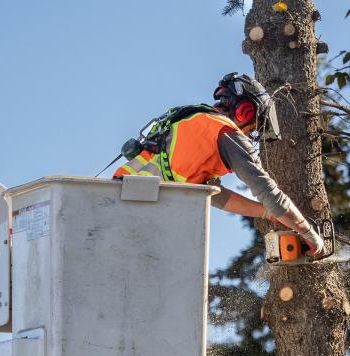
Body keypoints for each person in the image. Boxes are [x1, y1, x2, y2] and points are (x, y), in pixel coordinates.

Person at [113, 72, 324, 255]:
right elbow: (270, 194)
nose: (248, 136)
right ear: (245, 112)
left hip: (117, 201)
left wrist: (265, 213)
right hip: (143, 211)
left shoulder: (192, 123)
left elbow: (213, 195)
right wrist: (309, 233)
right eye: (252, 129)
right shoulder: (225, 131)